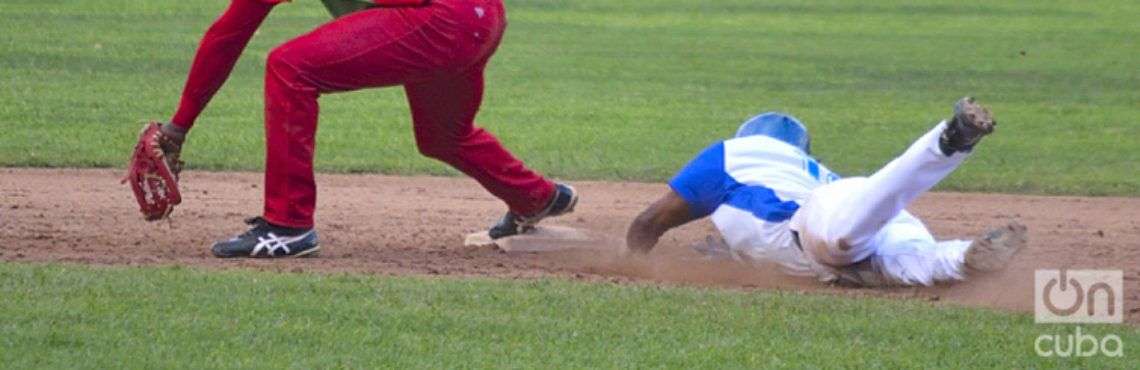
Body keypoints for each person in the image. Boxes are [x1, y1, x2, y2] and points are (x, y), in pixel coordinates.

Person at [128, 0, 577, 258]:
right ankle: (536, 197)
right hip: (480, 17)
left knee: (290, 68)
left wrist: (180, 127)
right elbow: (230, 33)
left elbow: (230, 35)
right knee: (443, 135)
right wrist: (179, 126)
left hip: (441, 19)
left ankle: (288, 224)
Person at [624, 97, 1027, 287]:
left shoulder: (734, 152)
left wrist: (628, 264)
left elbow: (649, 222)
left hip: (825, 226)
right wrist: (734, 255)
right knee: (905, 266)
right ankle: (966, 256)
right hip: (854, 238)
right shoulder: (811, 170)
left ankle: (948, 140)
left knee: (847, 239)